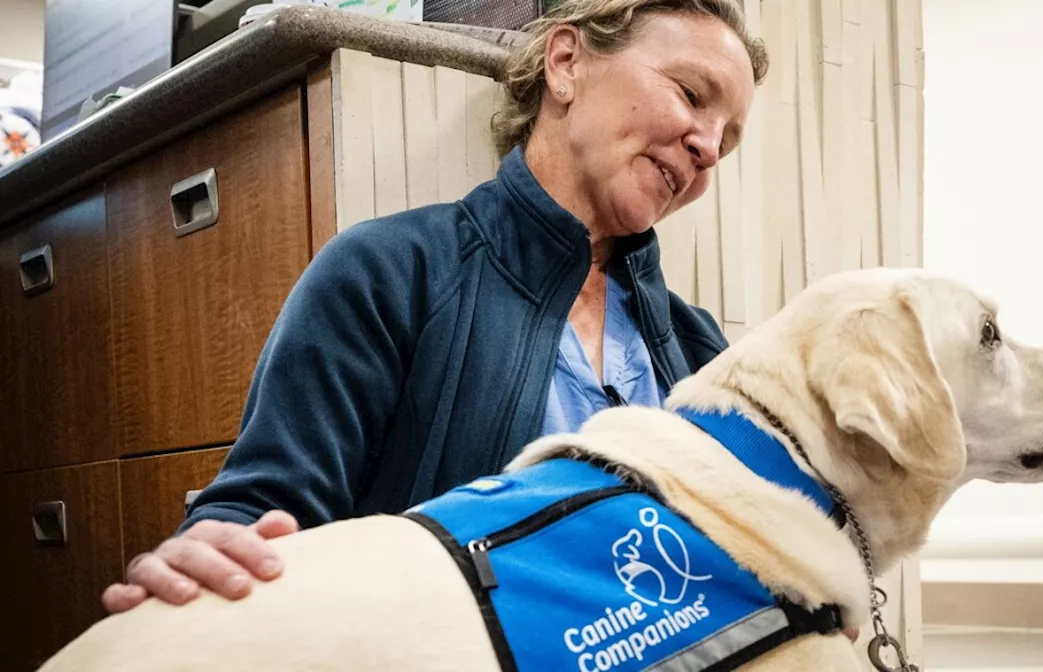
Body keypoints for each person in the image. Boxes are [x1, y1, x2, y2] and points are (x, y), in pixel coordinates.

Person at [102, 0, 768, 614]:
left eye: (727, 141)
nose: (707, 147)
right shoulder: (388, 273)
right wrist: (214, 555)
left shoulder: (695, 346)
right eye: (689, 94)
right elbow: (266, 509)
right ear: (566, 63)